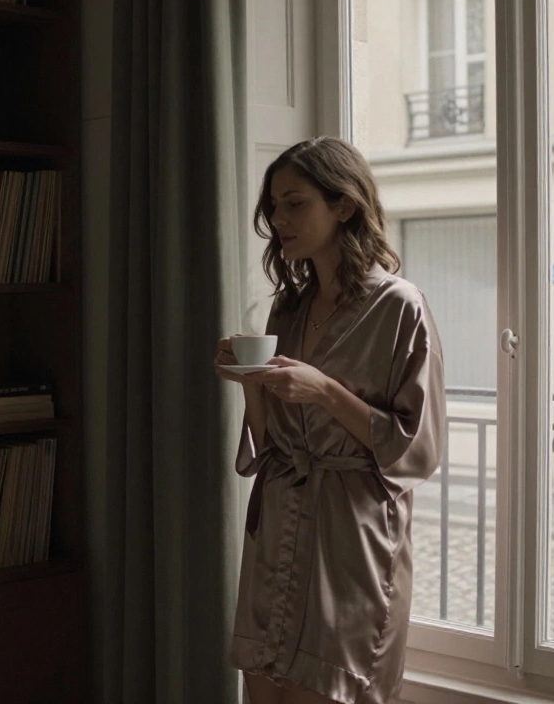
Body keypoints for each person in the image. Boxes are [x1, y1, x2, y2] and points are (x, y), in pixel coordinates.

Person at [215, 137, 446, 704]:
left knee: (332, 689)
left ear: (343, 205)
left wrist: (324, 392)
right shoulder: (287, 309)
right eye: (273, 206)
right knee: (262, 689)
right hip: (278, 530)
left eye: (295, 204)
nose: (277, 220)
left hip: (351, 545)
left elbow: (418, 449)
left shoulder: (400, 307)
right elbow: (271, 446)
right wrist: (252, 386)